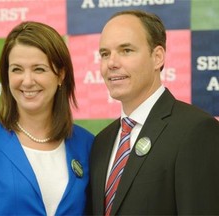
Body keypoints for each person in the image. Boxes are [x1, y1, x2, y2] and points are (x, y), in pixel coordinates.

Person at [0, 21, 94, 215]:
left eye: (39, 69)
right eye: (17, 69)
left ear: (61, 75)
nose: (27, 80)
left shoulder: (86, 143)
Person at [88, 10, 219, 215]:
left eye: (126, 50)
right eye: (105, 54)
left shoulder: (195, 130)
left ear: (157, 57)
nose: (111, 63)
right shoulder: (101, 142)